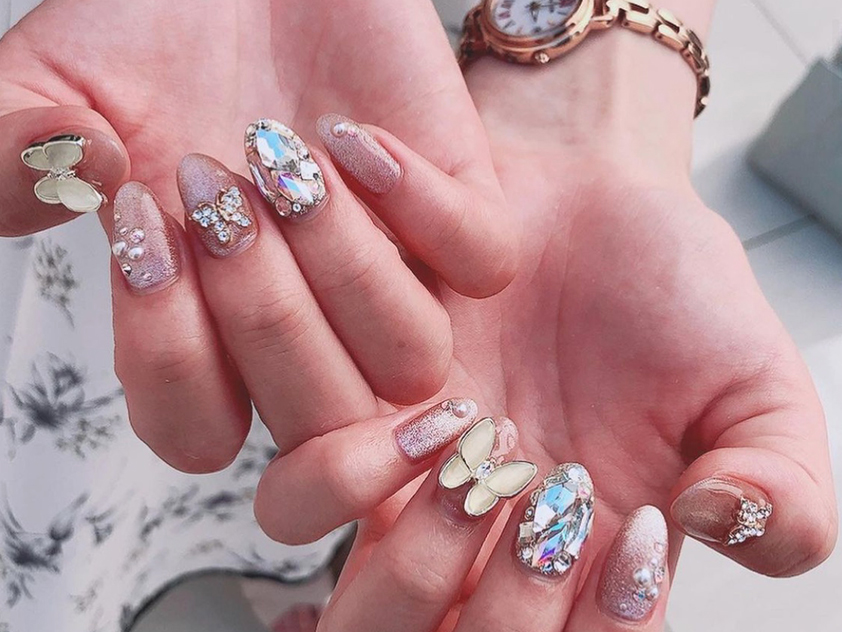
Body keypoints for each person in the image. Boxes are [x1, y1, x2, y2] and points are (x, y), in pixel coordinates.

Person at [0, 0, 836, 631]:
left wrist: (595, 119)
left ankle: (281, 572)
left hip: (391, 136)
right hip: (135, 130)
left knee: (361, 426)